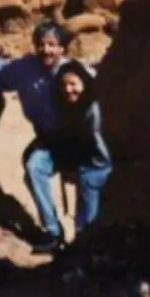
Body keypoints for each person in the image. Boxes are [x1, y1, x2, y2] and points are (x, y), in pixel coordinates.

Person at [0, 20, 77, 253]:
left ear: (62, 48)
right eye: (42, 44)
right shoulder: (27, 68)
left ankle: (80, 235)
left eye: (52, 45)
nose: (46, 50)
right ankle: (54, 233)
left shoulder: (73, 73)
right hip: (47, 139)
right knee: (33, 165)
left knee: (37, 167)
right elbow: (4, 74)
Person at [50, 60, 112, 234]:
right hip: (88, 170)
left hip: (96, 169)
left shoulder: (92, 110)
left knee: (88, 223)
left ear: (84, 83)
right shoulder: (74, 109)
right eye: (63, 85)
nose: (68, 89)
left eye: (73, 84)